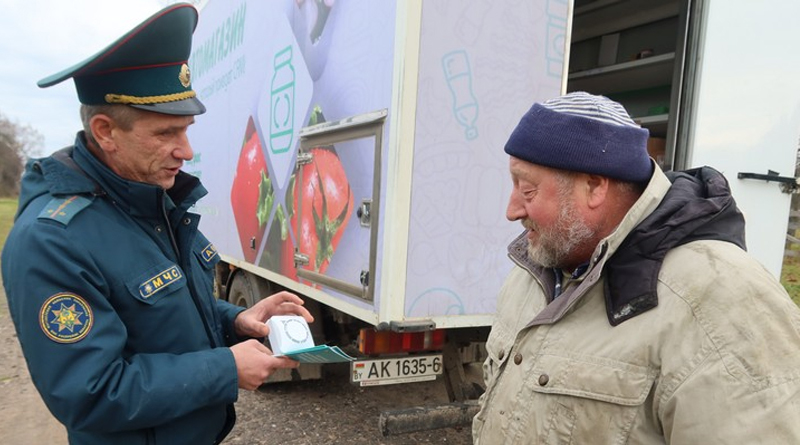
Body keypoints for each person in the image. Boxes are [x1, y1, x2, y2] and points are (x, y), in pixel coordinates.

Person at [1, 4, 313, 444]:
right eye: (166, 133)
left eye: (185, 130)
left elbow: (162, 312)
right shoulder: (52, 239)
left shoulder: (147, 199)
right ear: (106, 131)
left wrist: (236, 320)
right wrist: (225, 367)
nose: (185, 151)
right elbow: (90, 392)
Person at [472, 91, 800, 444]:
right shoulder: (537, 268)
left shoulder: (722, 301)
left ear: (595, 186)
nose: (512, 210)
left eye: (528, 189)